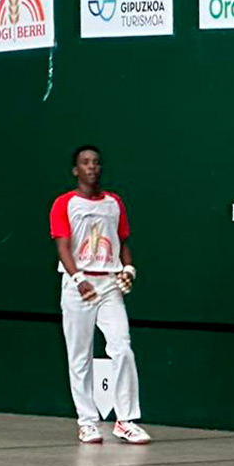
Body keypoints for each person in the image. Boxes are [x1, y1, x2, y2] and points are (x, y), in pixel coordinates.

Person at [49, 145, 150, 445]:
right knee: (79, 356)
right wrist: (78, 278)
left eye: (96, 162)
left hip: (108, 286)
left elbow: (122, 242)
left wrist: (128, 269)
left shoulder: (114, 202)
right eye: (85, 163)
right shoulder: (64, 203)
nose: (92, 167)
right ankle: (87, 422)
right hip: (77, 285)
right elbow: (63, 246)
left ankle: (125, 420)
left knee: (122, 347)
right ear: (75, 170)